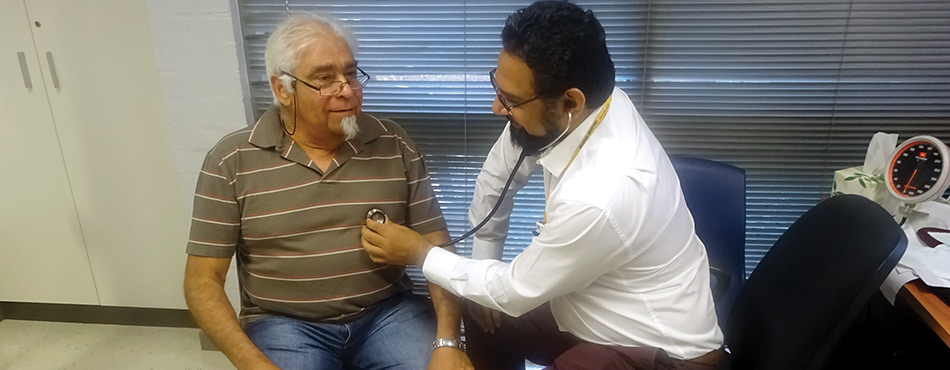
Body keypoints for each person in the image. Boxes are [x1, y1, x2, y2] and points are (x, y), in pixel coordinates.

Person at [361, 1, 723, 369]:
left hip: (658, 349)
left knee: (491, 295)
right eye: (498, 89)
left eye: (511, 101)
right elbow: (495, 179)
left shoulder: (602, 195)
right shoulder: (581, 108)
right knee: (481, 308)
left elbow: (515, 290)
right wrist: (485, 262)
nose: (496, 108)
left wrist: (420, 254)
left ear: (570, 101)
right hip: (588, 305)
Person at [183, 13, 472, 370]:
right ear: (282, 90)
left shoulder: (392, 142)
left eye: (351, 74)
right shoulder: (232, 159)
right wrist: (254, 364)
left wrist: (448, 341)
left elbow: (437, 247)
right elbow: (202, 281)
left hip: (387, 314)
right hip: (284, 323)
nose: (347, 90)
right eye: (325, 79)